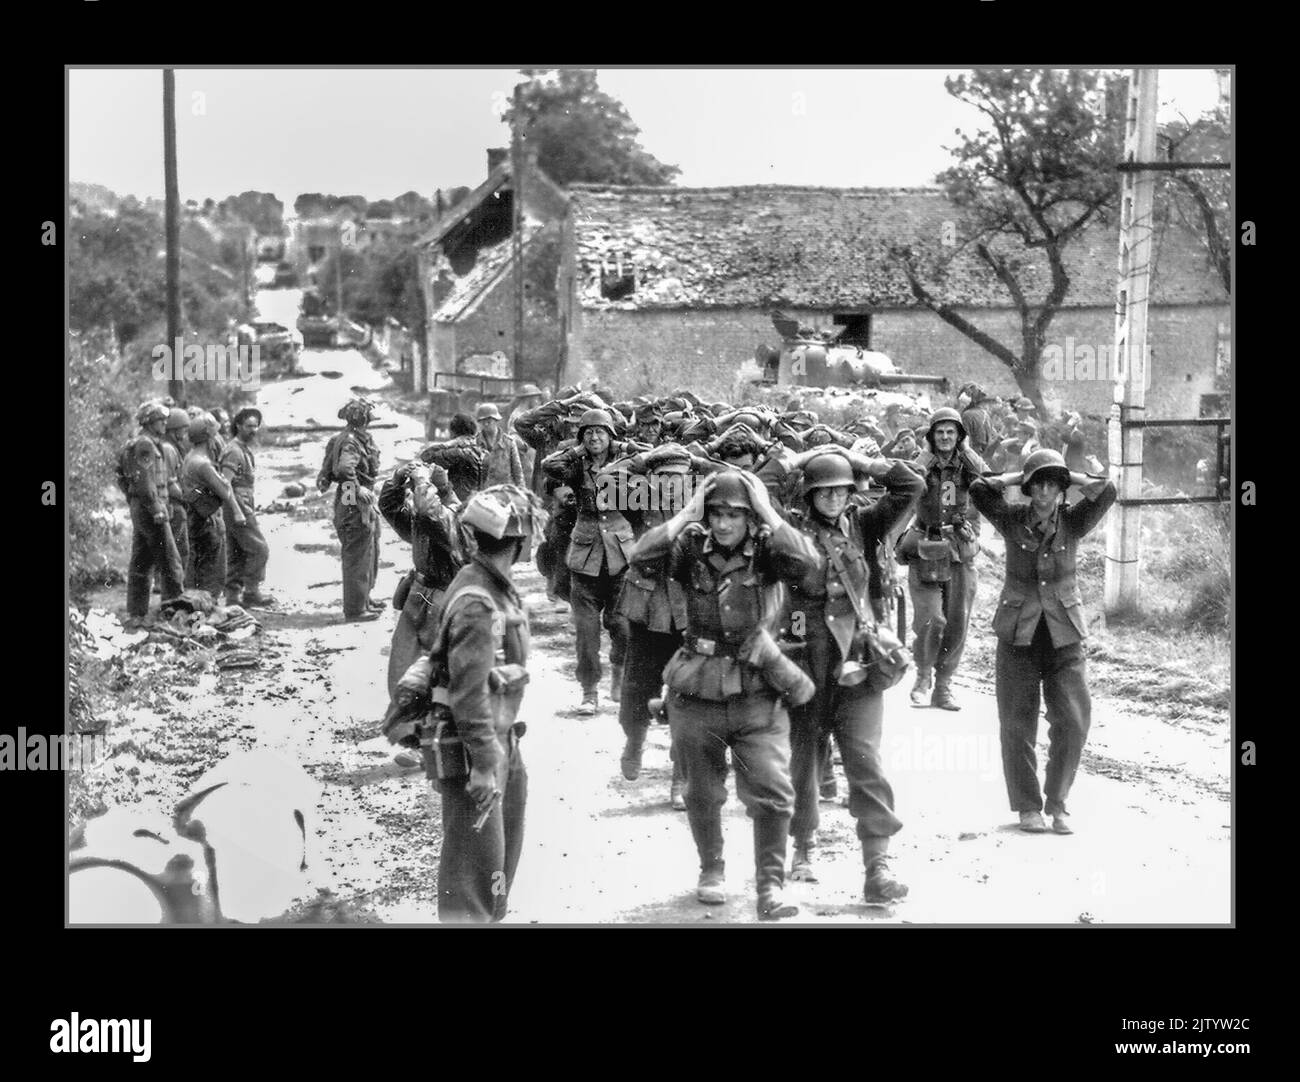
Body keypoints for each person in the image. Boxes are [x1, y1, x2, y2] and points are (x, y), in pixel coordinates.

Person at [630, 471, 818, 920]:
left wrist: (768, 510)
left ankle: (770, 887)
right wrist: (687, 513)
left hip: (758, 686)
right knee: (702, 791)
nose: (724, 523)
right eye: (717, 513)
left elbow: (808, 563)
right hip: (697, 687)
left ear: (750, 518)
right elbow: (640, 556)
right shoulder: (691, 547)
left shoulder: (770, 552)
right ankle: (711, 868)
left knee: (773, 791)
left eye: (735, 514)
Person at [779, 448, 924, 900]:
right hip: (805, 663)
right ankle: (803, 847)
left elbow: (911, 485)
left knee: (865, 761)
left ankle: (877, 867)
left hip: (856, 666)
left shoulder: (863, 524)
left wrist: (857, 458)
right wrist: (800, 456)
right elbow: (754, 488)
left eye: (842, 489)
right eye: (824, 491)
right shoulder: (787, 531)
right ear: (809, 493)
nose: (834, 498)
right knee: (804, 760)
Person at [968, 450, 1116, 835]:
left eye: (1053, 484)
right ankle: (1028, 808)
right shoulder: (1011, 518)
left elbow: (1108, 490)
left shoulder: (1074, 521)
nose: (1045, 491)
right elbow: (979, 488)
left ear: (1061, 489)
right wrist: (1019, 475)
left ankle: (1058, 802)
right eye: (1039, 483)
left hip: (1064, 633)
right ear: (1029, 487)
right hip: (1018, 633)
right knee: (1016, 724)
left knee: (1073, 720)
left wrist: (1073, 477)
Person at [430, 484, 544, 922]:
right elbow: (469, 692)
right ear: (520, 542)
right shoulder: (479, 600)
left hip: (497, 740)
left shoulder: (489, 584)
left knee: (495, 859)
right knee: (473, 871)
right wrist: (482, 764)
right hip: (477, 745)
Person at [600, 442, 706, 807]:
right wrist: (642, 459)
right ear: (651, 481)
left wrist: (697, 459)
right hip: (647, 612)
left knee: (688, 697)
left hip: (690, 615)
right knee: (636, 692)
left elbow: (736, 477)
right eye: (663, 479)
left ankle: (681, 777)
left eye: (679, 479)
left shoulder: (704, 510)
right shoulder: (637, 504)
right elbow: (606, 478)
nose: (672, 488)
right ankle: (635, 740)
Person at [541, 408, 649, 715]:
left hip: (620, 556)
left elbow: (651, 460)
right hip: (585, 558)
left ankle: (618, 673)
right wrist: (578, 449)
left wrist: (627, 451)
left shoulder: (627, 462)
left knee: (623, 628)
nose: (594, 437)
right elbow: (551, 464)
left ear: (611, 435)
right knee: (586, 637)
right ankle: (589, 692)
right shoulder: (575, 465)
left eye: (601, 432)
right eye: (588, 432)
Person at [896, 407, 988, 710]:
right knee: (931, 618)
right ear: (932, 437)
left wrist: (967, 451)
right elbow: (905, 492)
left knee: (957, 621)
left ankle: (944, 684)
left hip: (959, 549)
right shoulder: (923, 463)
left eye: (951, 432)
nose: (946, 437)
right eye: (940, 432)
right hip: (926, 544)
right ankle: (922, 677)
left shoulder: (968, 464)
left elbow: (987, 485)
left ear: (959, 435)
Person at [378, 458, 465, 696]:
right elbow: (390, 509)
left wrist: (423, 480)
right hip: (420, 594)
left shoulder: (455, 518)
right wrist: (397, 479)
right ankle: (406, 721)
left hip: (444, 598)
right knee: (403, 662)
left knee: (441, 668)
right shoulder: (427, 519)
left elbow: (431, 512)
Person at [317, 398, 384, 622]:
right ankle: (355, 609)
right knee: (358, 551)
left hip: (351, 498)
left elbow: (329, 470)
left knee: (369, 548)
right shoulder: (351, 442)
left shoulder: (347, 438)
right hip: (353, 501)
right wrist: (357, 490)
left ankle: (364, 598)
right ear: (361, 419)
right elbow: (345, 469)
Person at [123, 402, 185, 625]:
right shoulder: (145, 445)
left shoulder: (142, 443)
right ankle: (175, 612)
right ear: (149, 422)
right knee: (170, 559)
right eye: (161, 420)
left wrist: (135, 501)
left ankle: (136, 614)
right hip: (152, 509)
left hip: (144, 507)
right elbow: (145, 481)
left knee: (141, 559)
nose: (165, 424)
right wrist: (156, 508)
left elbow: (124, 478)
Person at [180, 413, 245, 597]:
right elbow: (225, 491)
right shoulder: (203, 464)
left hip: (194, 518)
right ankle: (208, 610)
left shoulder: (190, 457)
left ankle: (197, 610)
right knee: (214, 572)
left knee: (197, 568)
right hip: (209, 522)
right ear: (209, 437)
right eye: (215, 434)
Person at [220, 407, 274, 608]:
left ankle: (233, 597)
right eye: (249, 426)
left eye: (256, 426)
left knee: (237, 552)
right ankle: (251, 592)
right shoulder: (234, 451)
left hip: (241, 504)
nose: (254, 430)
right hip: (237, 506)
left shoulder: (242, 448)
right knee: (259, 549)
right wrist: (236, 510)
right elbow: (225, 483)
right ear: (238, 426)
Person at [421, 413, 488, 504]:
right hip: (480, 504)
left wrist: (450, 443)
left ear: (454, 432)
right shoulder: (485, 453)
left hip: (459, 505)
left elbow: (426, 456)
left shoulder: (458, 453)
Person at [161, 408, 192, 579]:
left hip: (174, 502)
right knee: (178, 548)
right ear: (174, 429)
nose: (185, 433)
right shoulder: (168, 449)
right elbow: (170, 482)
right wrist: (188, 499)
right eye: (183, 429)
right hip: (174, 504)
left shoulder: (172, 447)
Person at [475, 402, 524, 487]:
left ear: (496, 420)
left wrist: (522, 492)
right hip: (483, 492)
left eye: (489, 421)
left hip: (504, 490)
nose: (486, 424)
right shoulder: (476, 442)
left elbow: (517, 472)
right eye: (483, 422)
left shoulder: (509, 442)